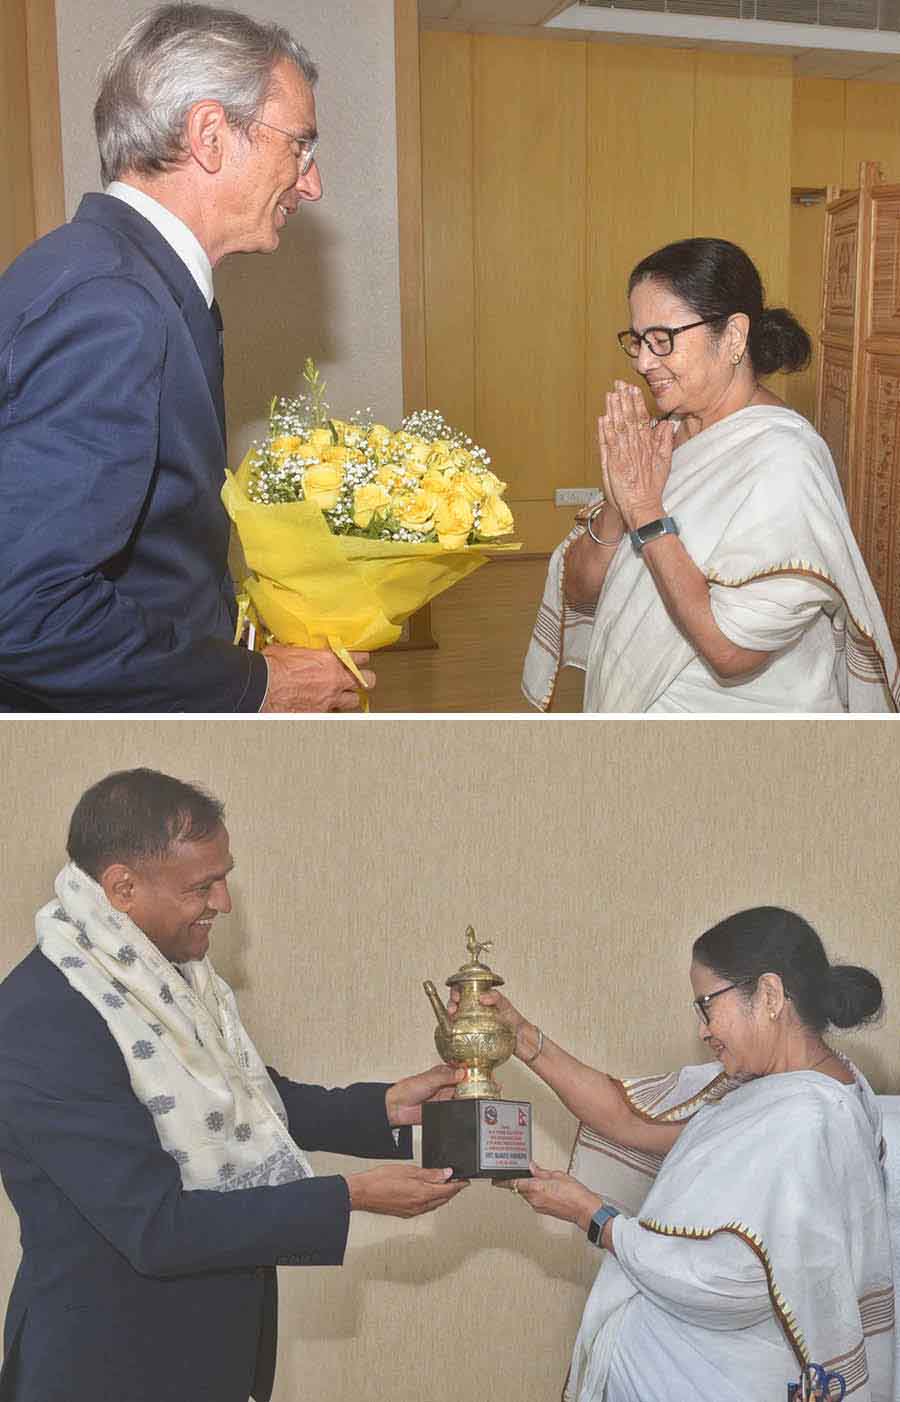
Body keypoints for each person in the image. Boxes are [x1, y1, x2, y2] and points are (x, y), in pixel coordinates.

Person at [0, 769, 466, 1402]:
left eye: (224, 877)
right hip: (110, 1365)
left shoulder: (162, 974)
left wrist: (386, 1106)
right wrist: (347, 1197)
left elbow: (240, 1100)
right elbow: (155, 1227)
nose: (223, 903)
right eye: (202, 886)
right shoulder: (41, 1019)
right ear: (122, 887)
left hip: (209, 1354)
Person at [0, 4, 374, 712]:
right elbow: (25, 613)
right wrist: (258, 684)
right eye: (299, 146)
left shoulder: (111, 272)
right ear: (210, 134)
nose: (312, 183)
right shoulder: (113, 304)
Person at [452, 908, 895, 1401]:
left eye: (707, 1005)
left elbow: (734, 1282)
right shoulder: (766, 1085)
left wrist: (594, 1216)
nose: (704, 1029)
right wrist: (521, 1036)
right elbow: (628, 1118)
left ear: (768, 996)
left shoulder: (807, 1119)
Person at [523, 238, 899, 712]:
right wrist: (619, 509)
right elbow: (579, 590)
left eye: (663, 340)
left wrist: (645, 512)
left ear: (735, 337)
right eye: (637, 341)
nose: (642, 362)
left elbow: (732, 653)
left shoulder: (785, 460)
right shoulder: (665, 434)